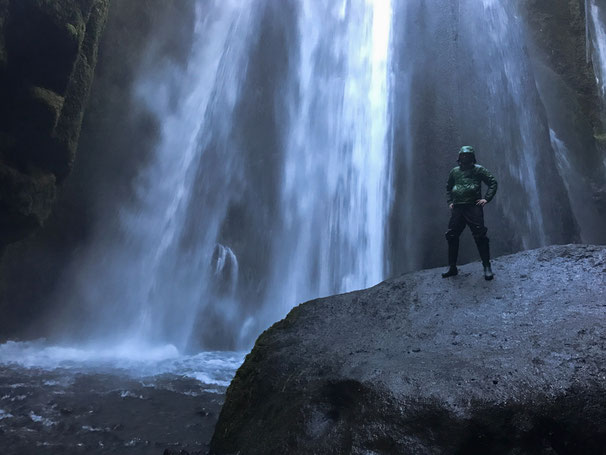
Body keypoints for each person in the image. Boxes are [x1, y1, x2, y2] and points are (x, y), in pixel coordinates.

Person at [442, 146, 498, 280]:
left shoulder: (478, 169)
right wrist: (450, 201)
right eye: (463, 155)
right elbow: (448, 187)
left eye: (468, 155)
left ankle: (487, 267)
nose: (465, 157)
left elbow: (492, 182)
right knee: (452, 235)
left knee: (480, 235)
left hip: (473, 207)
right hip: (458, 208)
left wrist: (486, 198)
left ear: (472, 157)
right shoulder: (454, 172)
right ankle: (452, 267)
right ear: (459, 157)